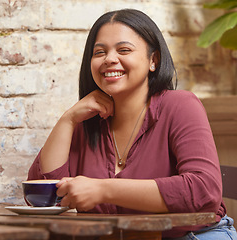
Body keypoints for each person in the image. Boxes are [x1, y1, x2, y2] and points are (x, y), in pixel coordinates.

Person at [27, 8, 237, 239]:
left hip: (193, 235)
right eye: (99, 52)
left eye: (124, 49)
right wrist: (67, 120)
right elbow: (44, 198)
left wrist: (103, 190)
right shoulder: (85, 123)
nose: (110, 59)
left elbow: (204, 191)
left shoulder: (180, 105)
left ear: (153, 60)